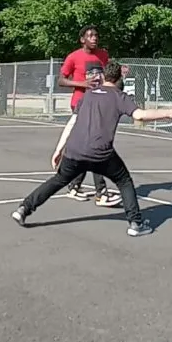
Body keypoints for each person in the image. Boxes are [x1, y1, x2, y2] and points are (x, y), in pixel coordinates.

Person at [12, 61, 172, 237]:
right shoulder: (119, 96)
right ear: (119, 78)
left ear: (104, 76)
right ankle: (136, 223)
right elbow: (140, 115)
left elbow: (72, 122)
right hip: (100, 153)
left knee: (58, 180)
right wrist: (167, 113)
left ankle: (24, 208)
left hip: (75, 150)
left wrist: (59, 149)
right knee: (124, 181)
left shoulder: (88, 95)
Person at [56, 24, 122, 207]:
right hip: (80, 104)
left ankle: (75, 185)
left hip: (99, 103)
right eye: (90, 35)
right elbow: (61, 80)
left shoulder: (103, 55)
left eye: (96, 35)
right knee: (95, 145)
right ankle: (101, 193)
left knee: (89, 146)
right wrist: (82, 83)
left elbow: (107, 77)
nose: (94, 38)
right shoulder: (74, 57)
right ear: (82, 39)